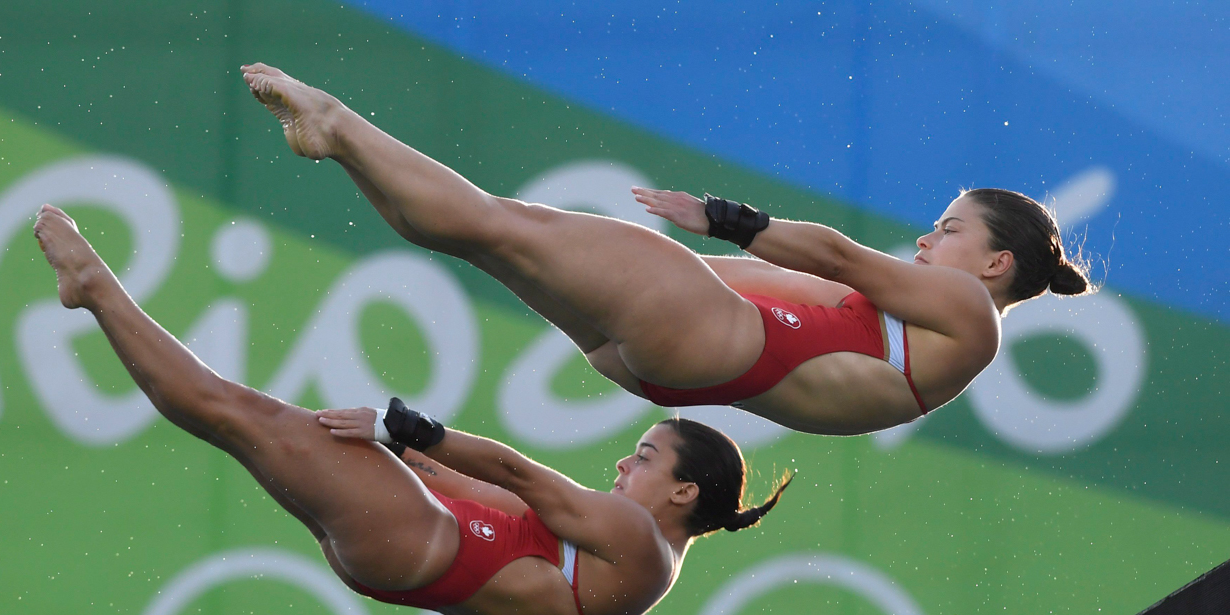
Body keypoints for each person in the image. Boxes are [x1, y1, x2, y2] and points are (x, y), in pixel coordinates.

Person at [31, 206, 788, 615]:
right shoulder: (618, 549)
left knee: (234, 413)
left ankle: (94, 289)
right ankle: (96, 293)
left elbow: (518, 474)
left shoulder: (642, 545)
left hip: (419, 542)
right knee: (240, 420)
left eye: (645, 456)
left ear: (685, 490)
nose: (626, 463)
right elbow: (499, 502)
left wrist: (403, 430)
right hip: (413, 541)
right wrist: (412, 463)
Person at [241, 62, 1094, 437]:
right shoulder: (924, 326)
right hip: (666, 358)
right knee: (480, 233)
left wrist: (719, 215)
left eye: (948, 228)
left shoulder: (971, 318)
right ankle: (340, 143)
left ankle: (339, 122)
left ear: (996, 264)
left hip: (714, 340)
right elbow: (786, 286)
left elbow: (833, 257)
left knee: (495, 223)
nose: (924, 236)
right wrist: (665, 270)